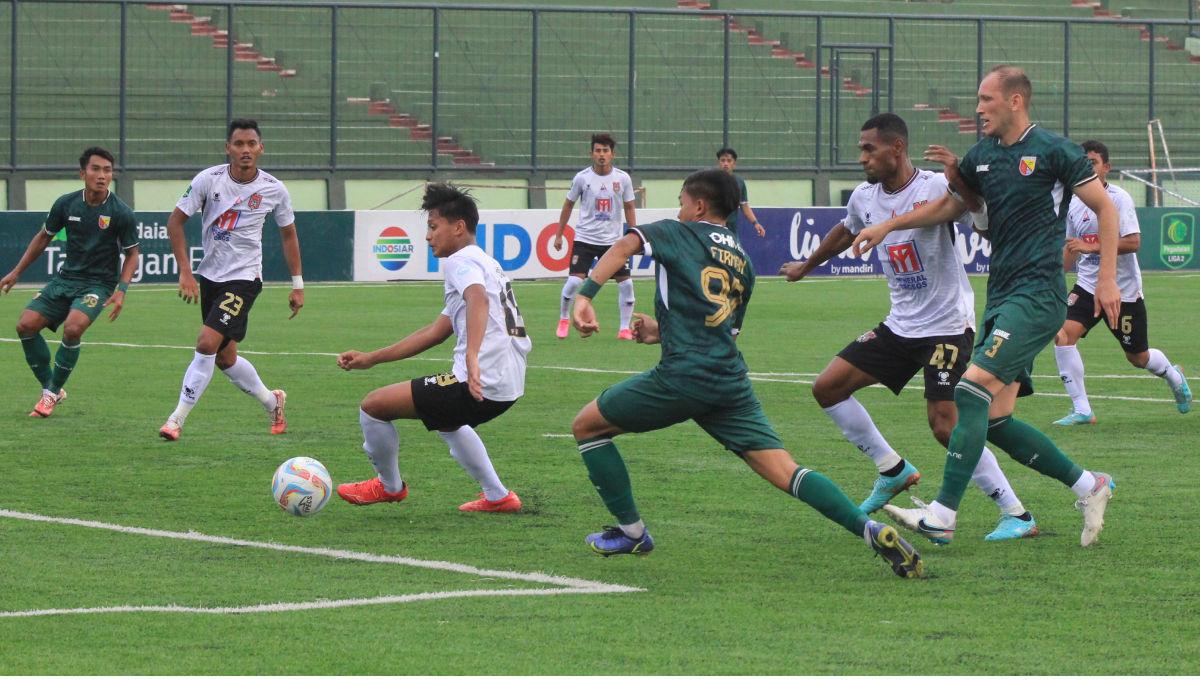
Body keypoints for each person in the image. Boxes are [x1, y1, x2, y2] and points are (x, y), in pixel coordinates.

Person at [569, 169, 924, 578]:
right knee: (786, 470)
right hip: (728, 382)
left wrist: (585, 296)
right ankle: (869, 528)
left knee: (587, 428)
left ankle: (631, 533)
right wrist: (660, 332)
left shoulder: (677, 231)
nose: (680, 209)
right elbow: (723, 333)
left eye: (683, 202)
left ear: (699, 205)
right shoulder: (742, 260)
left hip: (683, 376)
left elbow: (627, 242)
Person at [851, 65, 1120, 548]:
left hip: (1038, 295)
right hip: (1001, 296)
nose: (978, 109)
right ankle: (1089, 484)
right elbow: (951, 208)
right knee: (994, 419)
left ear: (1015, 101)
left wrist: (1105, 281)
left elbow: (1105, 209)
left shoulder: (1054, 151)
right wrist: (888, 226)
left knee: (968, 392)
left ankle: (944, 513)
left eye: (985, 99)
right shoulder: (981, 158)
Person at [780, 113, 1036, 541]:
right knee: (828, 386)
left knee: (944, 424)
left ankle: (1015, 513)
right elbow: (845, 231)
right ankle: (892, 469)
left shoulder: (934, 187)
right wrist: (806, 267)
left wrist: (962, 178)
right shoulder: (864, 197)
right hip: (900, 326)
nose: (862, 157)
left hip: (947, 325)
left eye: (869, 149)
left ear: (896, 148)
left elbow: (980, 216)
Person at [335, 183, 529, 513]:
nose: (428, 236)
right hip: (508, 384)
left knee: (373, 406)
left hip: (478, 381)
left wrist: (471, 355)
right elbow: (437, 331)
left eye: (433, 227)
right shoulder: (486, 262)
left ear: (458, 227)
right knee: (447, 421)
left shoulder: (460, 262)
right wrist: (372, 358)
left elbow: (477, 298)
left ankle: (389, 487)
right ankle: (498, 497)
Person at [159, 119, 304, 441]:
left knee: (206, 343)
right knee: (225, 357)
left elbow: (289, 235)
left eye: (251, 144)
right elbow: (174, 222)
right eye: (239, 144)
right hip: (210, 276)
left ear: (261, 148)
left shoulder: (273, 189)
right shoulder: (207, 180)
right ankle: (272, 401)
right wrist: (185, 270)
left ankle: (176, 419)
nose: (245, 150)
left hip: (244, 278)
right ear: (228, 148)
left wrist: (298, 284)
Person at [1052, 139, 1192, 424]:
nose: (1086, 167)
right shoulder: (1074, 203)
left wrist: (1092, 247)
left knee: (1137, 357)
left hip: (1123, 291)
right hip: (1088, 287)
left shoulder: (1118, 198)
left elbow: (1133, 242)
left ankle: (1172, 374)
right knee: (1063, 334)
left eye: (1092, 162)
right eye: (1082, 162)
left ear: (1106, 167)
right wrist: (1053, 277)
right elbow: (1071, 247)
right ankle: (1082, 409)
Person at [1, 146, 139, 417]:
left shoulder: (121, 212)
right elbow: (43, 237)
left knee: (73, 328)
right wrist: (16, 272)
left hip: (97, 285)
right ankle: (52, 388)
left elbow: (132, 254)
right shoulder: (66, 204)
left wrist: (121, 291)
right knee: (25, 325)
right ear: (82, 173)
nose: (102, 175)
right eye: (96, 169)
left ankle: (49, 395)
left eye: (107, 170)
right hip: (65, 279)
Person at [553, 133, 638, 340]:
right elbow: (568, 205)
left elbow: (629, 207)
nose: (601, 155)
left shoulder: (622, 178)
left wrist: (635, 236)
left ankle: (624, 328)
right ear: (591, 153)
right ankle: (564, 318)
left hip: (613, 243)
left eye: (605, 151)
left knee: (626, 285)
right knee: (573, 282)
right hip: (585, 239)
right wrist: (559, 234)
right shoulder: (582, 178)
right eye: (598, 150)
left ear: (612, 154)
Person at [716, 147, 765, 238]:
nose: (725, 164)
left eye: (729, 161)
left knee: (735, 252)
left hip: (731, 230)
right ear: (718, 162)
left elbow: (744, 205)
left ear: (734, 164)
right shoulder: (710, 181)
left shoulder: (739, 182)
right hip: (713, 229)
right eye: (723, 160)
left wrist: (755, 223)